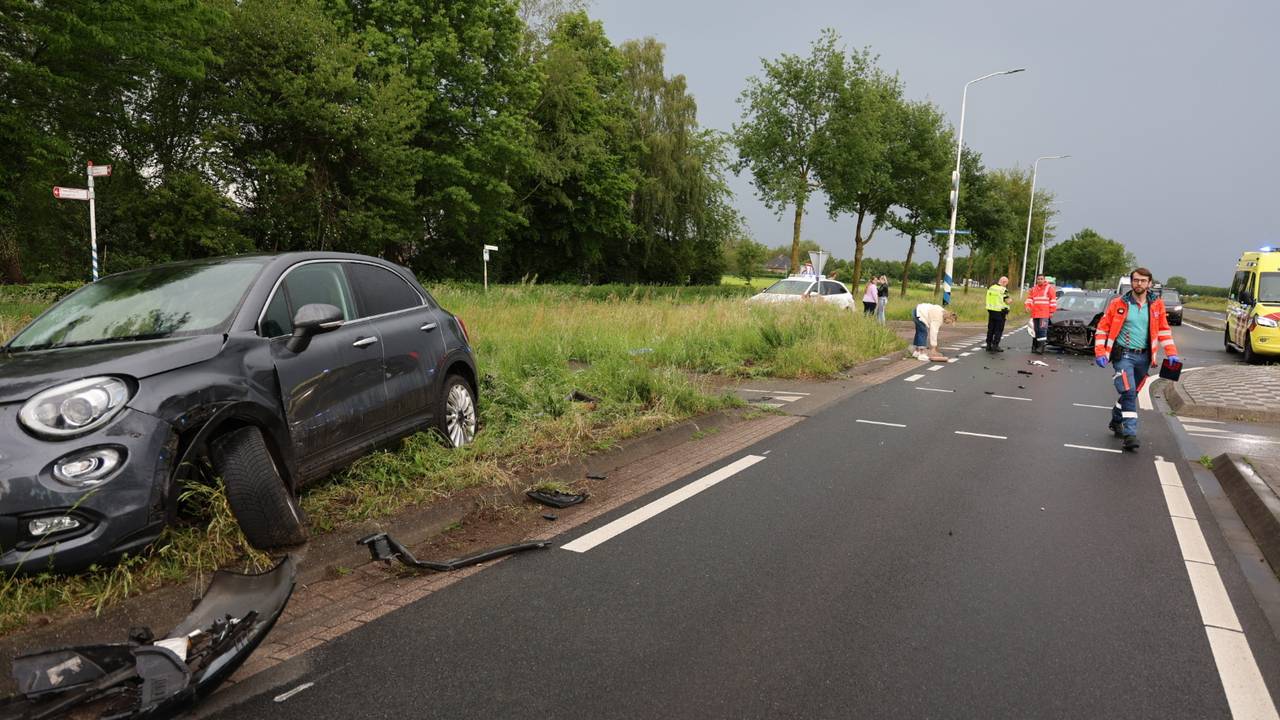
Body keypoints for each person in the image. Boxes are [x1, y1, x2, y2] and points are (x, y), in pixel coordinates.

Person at [1094, 267, 1180, 451]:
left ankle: (1116, 419)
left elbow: (1164, 330)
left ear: (1149, 283)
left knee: (1130, 393)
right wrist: (1100, 352)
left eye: (1142, 281)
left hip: (1145, 357)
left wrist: (1171, 352)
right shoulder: (1119, 303)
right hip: (1122, 355)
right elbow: (1103, 328)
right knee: (1129, 390)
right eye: (1135, 280)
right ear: (1131, 282)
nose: (1138, 283)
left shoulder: (1156, 305)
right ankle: (1130, 434)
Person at [1024, 274, 1057, 353]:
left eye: (1041, 279)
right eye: (1038, 279)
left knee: (1042, 330)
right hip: (1035, 313)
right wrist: (1027, 306)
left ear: (1044, 280)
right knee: (1036, 330)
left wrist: (1052, 311)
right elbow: (1030, 299)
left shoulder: (1049, 288)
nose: (1040, 280)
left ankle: (1040, 348)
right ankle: (1035, 347)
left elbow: (1053, 301)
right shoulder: (1033, 289)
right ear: (1036, 280)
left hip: (1044, 314)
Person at [985, 276, 1010, 351]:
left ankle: (988, 345)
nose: (1006, 285)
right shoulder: (1003, 289)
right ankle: (995, 345)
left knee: (991, 329)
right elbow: (1007, 301)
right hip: (1000, 312)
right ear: (1004, 282)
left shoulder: (991, 288)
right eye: (1006, 284)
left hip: (991, 310)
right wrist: (1011, 300)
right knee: (998, 329)